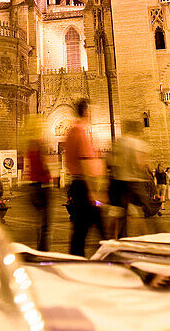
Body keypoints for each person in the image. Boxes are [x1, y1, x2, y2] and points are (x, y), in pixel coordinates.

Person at [108, 118, 161, 239]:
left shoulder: (119, 142)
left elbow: (111, 161)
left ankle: (116, 239)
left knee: (120, 213)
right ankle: (151, 237)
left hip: (119, 182)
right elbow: (139, 162)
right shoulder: (137, 143)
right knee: (144, 210)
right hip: (134, 182)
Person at [66, 99, 106, 256]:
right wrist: (95, 193)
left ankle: (77, 260)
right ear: (85, 112)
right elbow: (86, 162)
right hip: (86, 186)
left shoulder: (71, 132)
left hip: (76, 185)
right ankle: (112, 260)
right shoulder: (81, 132)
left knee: (80, 232)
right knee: (97, 230)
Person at [23, 114, 52, 251]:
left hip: (33, 186)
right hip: (42, 186)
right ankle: (42, 249)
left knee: (38, 221)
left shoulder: (30, 145)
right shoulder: (39, 144)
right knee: (45, 222)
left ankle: (38, 247)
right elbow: (42, 166)